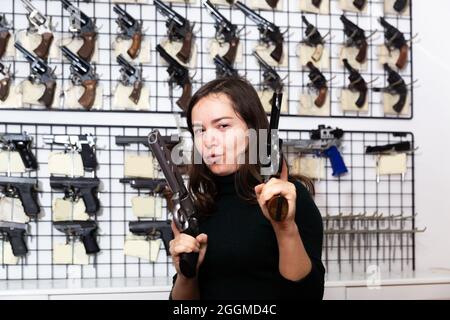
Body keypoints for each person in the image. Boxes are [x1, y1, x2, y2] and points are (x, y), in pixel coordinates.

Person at [168, 77, 325, 300]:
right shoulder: (198, 207)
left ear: (253, 131)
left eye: (222, 126)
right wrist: (186, 276)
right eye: (199, 130)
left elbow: (307, 297)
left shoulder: (287, 198)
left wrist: (284, 227)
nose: (208, 140)